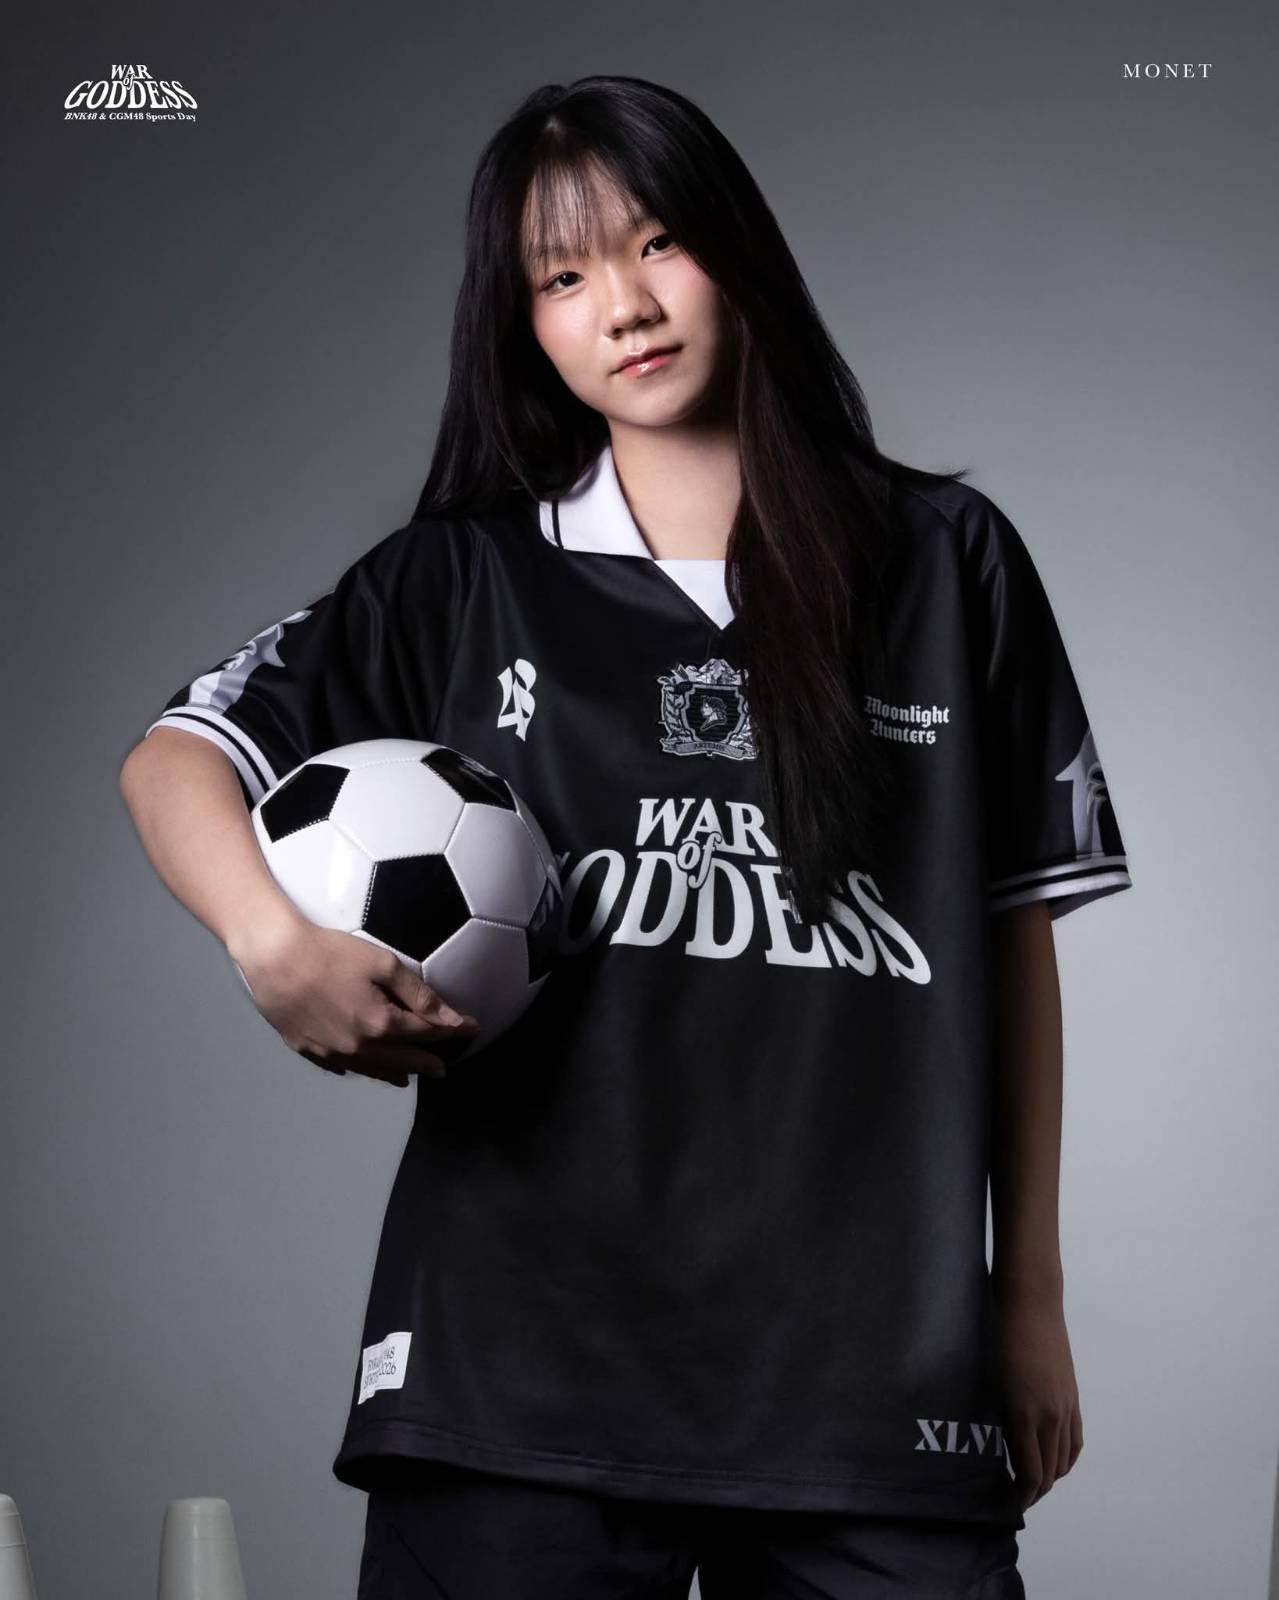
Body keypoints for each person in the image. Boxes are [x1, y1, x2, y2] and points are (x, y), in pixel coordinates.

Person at [119, 73, 1133, 1600]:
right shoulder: (465, 579)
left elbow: (1012, 945)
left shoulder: (944, 563)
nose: (625, 306)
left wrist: (1028, 1296)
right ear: (521, 321)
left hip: (873, 1374)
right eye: (563, 275)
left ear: (739, 251)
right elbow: (175, 757)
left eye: (659, 243)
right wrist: (271, 944)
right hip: (520, 1368)